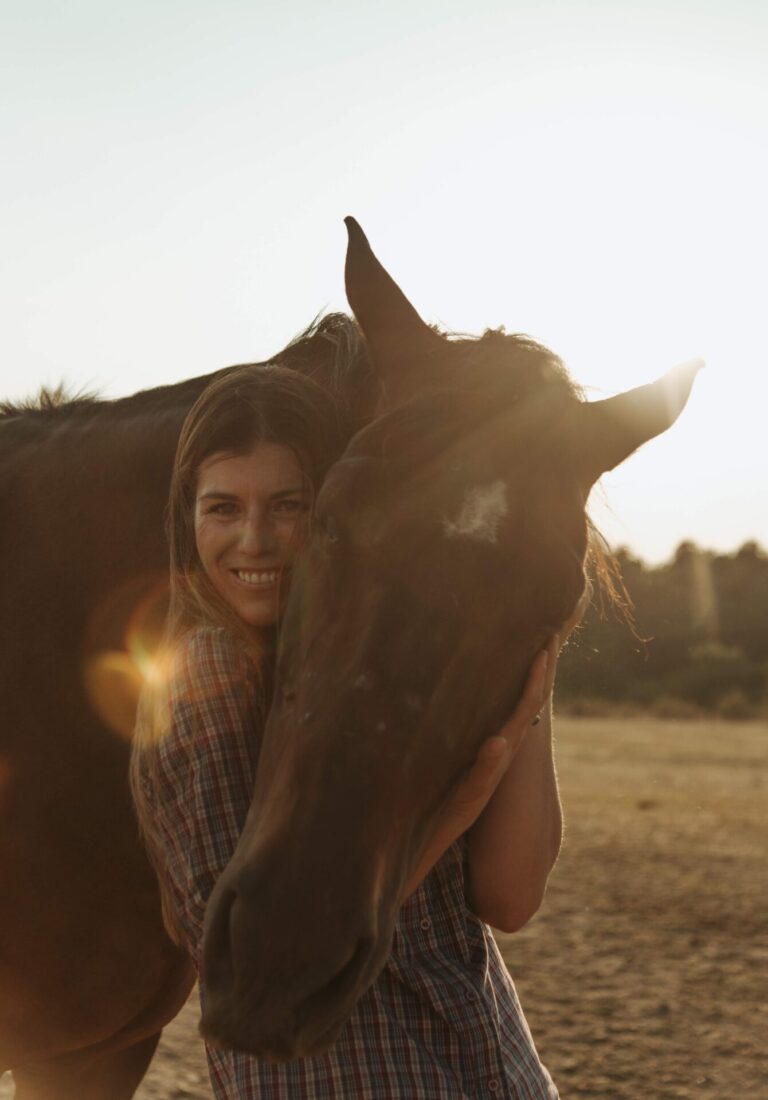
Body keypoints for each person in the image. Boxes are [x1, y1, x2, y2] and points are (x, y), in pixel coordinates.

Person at [131, 336, 581, 1099]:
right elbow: (235, 949)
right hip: (341, 1076)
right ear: (188, 521)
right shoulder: (203, 678)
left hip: (490, 1062)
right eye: (223, 509)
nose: (254, 540)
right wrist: (464, 800)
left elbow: (510, 898)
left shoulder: (388, 669)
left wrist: (527, 663)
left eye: (288, 505)